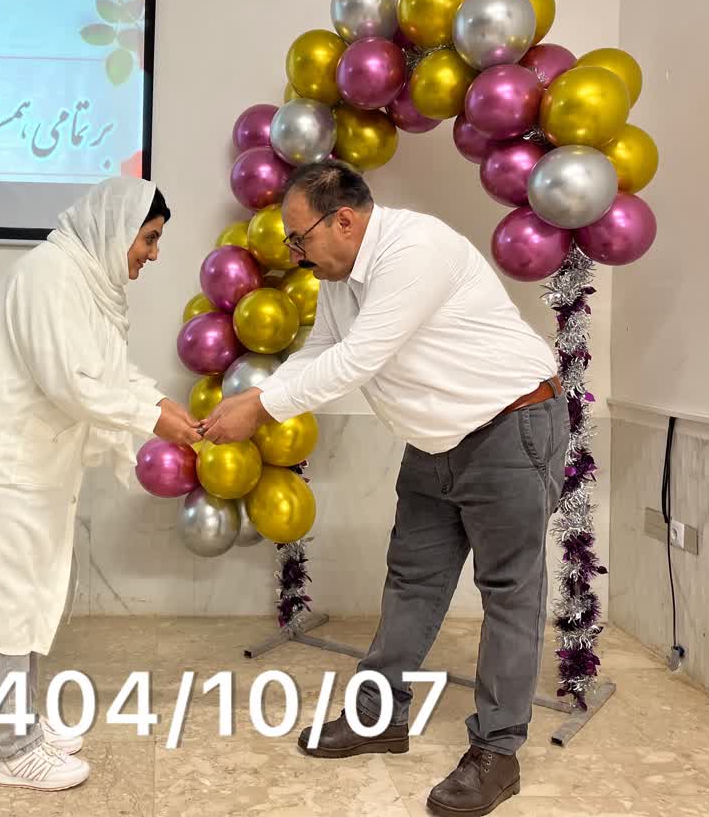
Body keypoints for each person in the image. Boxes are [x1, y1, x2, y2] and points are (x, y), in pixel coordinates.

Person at [201, 160, 567, 817]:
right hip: (433, 440)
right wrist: (261, 394)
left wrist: (263, 407)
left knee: (509, 592)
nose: (295, 253)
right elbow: (321, 349)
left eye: (300, 237)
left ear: (343, 220)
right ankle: (378, 717)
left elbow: (359, 357)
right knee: (411, 579)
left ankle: (497, 753)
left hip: (510, 425)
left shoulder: (414, 249)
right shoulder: (338, 277)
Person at [0, 176, 200, 792]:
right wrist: (153, 419)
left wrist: (163, 405)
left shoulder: (84, 281)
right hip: (4, 464)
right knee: (11, 601)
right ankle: (12, 750)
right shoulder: (49, 276)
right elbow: (71, 380)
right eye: (148, 238)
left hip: (30, 464)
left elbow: (106, 370)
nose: (153, 253)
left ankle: (26, 724)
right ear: (115, 229)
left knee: (32, 593)